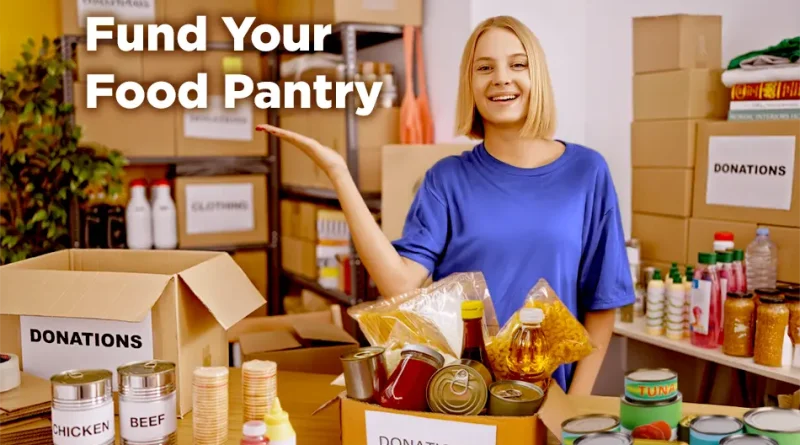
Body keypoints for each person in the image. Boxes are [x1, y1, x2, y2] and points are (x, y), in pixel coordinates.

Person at [257, 15, 635, 395]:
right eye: (484, 67)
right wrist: (339, 174)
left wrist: (573, 404)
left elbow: (602, 303)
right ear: (470, 84)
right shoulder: (447, 178)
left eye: (518, 64)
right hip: (459, 393)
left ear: (538, 76)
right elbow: (398, 283)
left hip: (549, 397)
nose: (501, 77)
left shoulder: (587, 172)